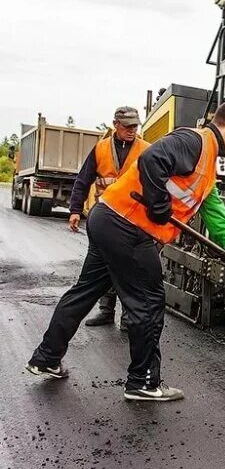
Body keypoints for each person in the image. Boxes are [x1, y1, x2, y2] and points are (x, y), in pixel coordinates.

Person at [25, 101, 225, 402]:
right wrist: (158, 203)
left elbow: (212, 209)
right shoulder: (194, 141)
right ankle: (143, 382)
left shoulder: (207, 163)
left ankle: (46, 357)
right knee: (148, 301)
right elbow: (152, 159)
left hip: (109, 219)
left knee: (85, 291)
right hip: (127, 227)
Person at [69, 107, 150, 330]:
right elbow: (83, 180)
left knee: (129, 268)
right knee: (104, 263)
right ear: (116, 124)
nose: (132, 130)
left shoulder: (147, 150)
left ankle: (127, 316)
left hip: (132, 219)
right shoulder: (101, 149)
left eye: (135, 126)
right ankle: (106, 311)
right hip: (105, 218)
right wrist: (75, 210)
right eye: (127, 126)